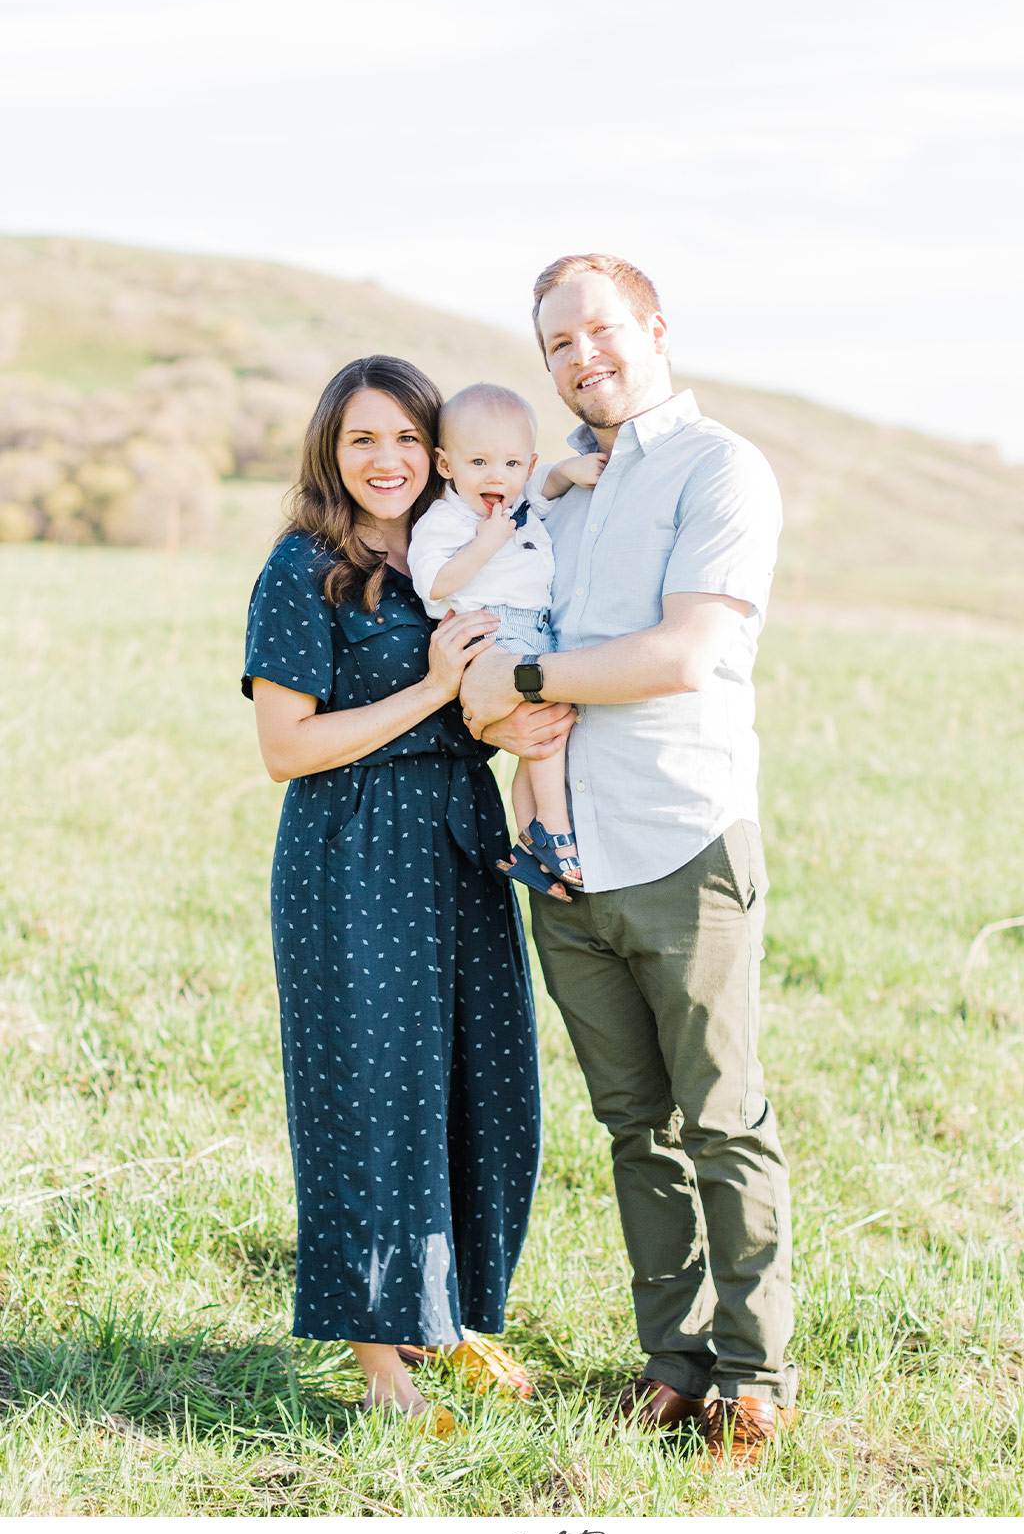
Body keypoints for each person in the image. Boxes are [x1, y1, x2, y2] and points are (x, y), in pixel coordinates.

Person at [461, 255, 798, 1466]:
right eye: (556, 344)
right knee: (631, 1125)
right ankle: (673, 1361)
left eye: (597, 331)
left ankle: (754, 1378)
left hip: (679, 836)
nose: (579, 358)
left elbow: (683, 651)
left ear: (653, 328)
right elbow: (487, 653)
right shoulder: (555, 499)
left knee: (720, 1117)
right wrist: (495, 701)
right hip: (562, 857)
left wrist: (528, 685)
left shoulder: (722, 470)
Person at [242, 355, 572, 1435]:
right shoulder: (303, 570)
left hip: (458, 838)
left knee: (486, 1088)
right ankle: (382, 1363)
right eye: (359, 441)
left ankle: (453, 1318)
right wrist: (433, 686)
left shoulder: (464, 556)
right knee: (371, 1101)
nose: (385, 460)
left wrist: (507, 723)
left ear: (436, 452)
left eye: (403, 439)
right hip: (348, 849)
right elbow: (286, 749)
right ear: (330, 456)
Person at [407, 381, 606, 896]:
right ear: (446, 465)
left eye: (511, 465)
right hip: (490, 633)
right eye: (479, 463)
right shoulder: (448, 519)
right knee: (547, 733)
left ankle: (529, 844)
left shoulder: (517, 503)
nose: (498, 476)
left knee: (536, 739)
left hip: (532, 629)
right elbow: (433, 583)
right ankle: (555, 829)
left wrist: (566, 472)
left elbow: (542, 485)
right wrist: (483, 544)